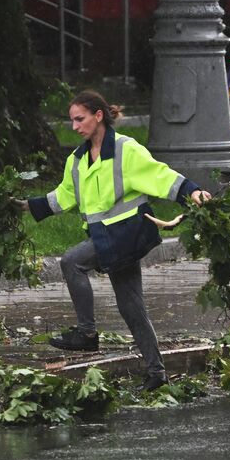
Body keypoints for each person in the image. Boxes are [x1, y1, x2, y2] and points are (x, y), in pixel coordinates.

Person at [20, 90, 211, 392]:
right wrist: (25, 206)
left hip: (126, 235)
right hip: (107, 239)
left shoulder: (126, 150)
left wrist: (192, 190)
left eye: (79, 119)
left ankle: (86, 334)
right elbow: (64, 197)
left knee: (71, 262)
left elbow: (159, 175)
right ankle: (157, 373)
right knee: (131, 308)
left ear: (98, 116)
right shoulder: (78, 160)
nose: (74, 126)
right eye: (71, 121)